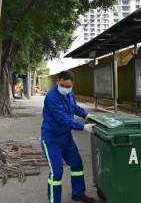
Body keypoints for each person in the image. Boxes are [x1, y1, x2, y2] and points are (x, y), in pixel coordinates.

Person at [41, 70, 96, 203]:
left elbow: (74, 107)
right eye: (63, 86)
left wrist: (86, 115)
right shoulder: (51, 97)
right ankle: (54, 201)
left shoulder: (69, 93)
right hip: (51, 140)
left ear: (72, 85)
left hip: (66, 138)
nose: (66, 89)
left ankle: (78, 193)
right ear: (58, 81)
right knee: (57, 172)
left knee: (77, 164)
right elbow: (63, 119)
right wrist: (83, 127)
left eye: (68, 86)